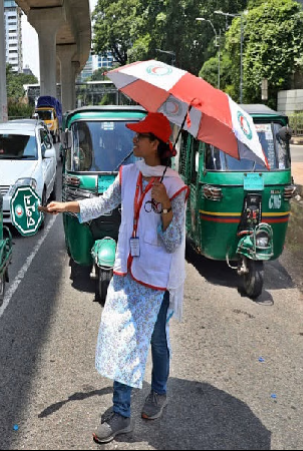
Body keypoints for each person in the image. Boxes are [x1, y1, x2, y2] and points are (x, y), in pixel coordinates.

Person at [44, 112, 189, 444]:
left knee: (155, 341)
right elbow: (103, 204)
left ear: (156, 144)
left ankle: (160, 393)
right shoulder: (127, 174)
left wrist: (166, 206)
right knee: (122, 339)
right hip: (126, 273)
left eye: (140, 137)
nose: (133, 141)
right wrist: (66, 206)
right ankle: (122, 413)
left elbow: (173, 240)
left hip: (157, 279)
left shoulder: (175, 186)